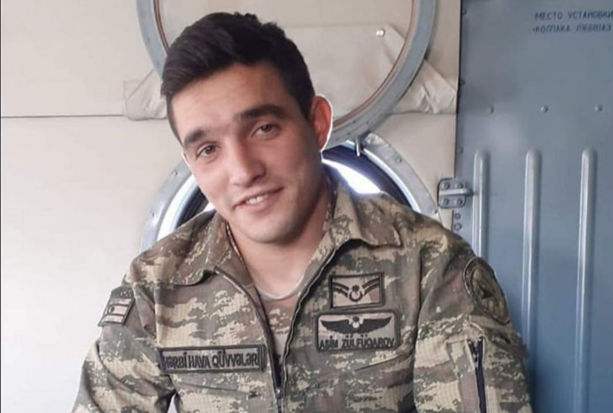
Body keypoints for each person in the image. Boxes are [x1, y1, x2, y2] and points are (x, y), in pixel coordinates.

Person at [73, 12, 531, 413]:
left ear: (317, 123)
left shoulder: (429, 267)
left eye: (264, 128)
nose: (243, 171)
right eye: (208, 149)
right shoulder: (157, 286)